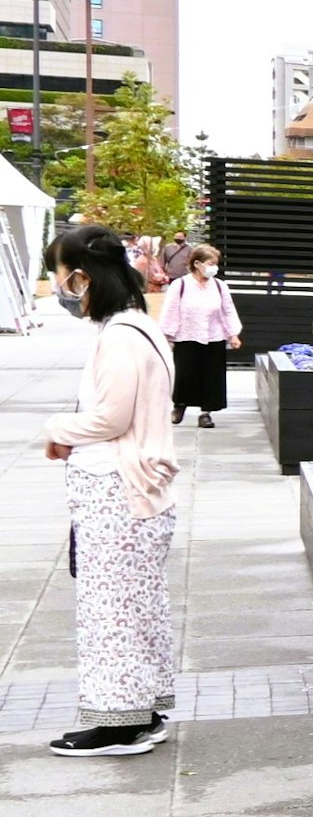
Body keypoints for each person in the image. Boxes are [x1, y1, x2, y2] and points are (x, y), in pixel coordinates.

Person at [40, 224, 179, 756]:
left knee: (111, 609)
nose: (61, 288)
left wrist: (57, 429)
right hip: (134, 487)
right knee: (135, 605)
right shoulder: (139, 327)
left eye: (60, 276)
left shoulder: (121, 337)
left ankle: (120, 722)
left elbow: (110, 417)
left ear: (81, 276)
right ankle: (141, 712)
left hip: (117, 491)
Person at [158, 243, 240, 426]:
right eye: (210, 263)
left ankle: (206, 413)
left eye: (215, 263)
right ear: (197, 264)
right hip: (186, 336)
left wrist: (233, 334)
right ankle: (179, 405)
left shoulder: (219, 286)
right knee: (184, 374)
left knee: (212, 376)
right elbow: (170, 311)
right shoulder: (180, 285)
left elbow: (228, 311)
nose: (214, 267)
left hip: (214, 336)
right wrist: (167, 335)